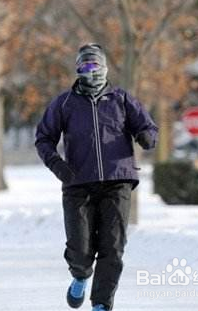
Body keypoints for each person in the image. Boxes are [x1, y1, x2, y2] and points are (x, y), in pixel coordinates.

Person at [35, 43, 158, 311]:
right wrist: (58, 165)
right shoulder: (64, 103)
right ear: (77, 70)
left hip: (118, 181)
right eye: (83, 66)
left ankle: (101, 304)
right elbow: (43, 139)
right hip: (78, 183)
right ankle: (80, 275)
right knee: (80, 251)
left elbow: (147, 126)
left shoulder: (121, 99)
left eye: (94, 65)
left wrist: (147, 137)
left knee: (113, 249)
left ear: (104, 67)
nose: (89, 71)